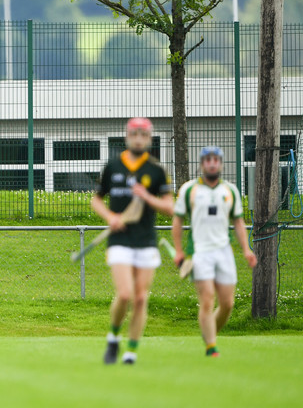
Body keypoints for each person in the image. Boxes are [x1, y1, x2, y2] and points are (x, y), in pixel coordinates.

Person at [91, 117, 174, 365]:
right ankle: (114, 337)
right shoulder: (113, 166)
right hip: (119, 240)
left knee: (140, 298)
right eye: (134, 134)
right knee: (125, 294)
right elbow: (96, 200)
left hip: (146, 241)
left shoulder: (156, 170)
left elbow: (170, 207)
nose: (138, 138)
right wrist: (110, 216)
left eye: (143, 135)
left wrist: (147, 197)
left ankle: (131, 352)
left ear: (149, 139)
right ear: (127, 137)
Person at [171, 146, 257, 357]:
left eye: (216, 160)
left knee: (227, 303)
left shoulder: (230, 191)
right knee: (208, 298)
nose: (212, 163)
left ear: (221, 164)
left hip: (223, 251)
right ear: (202, 164)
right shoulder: (189, 189)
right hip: (199, 251)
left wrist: (246, 249)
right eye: (208, 160)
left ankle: (209, 332)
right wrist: (179, 251)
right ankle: (211, 346)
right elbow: (178, 221)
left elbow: (238, 222)